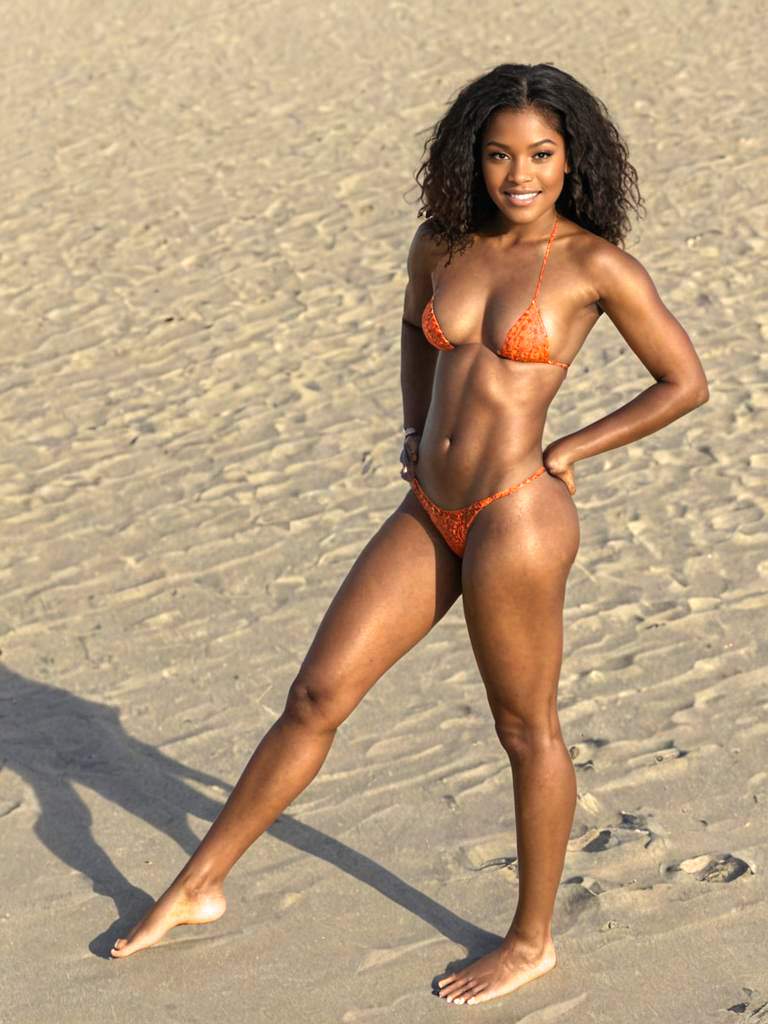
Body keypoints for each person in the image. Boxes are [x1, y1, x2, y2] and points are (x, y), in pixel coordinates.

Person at [110, 63, 708, 1006]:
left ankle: (531, 938)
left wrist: (573, 447)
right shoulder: (442, 242)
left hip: (518, 514)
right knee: (316, 694)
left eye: (541, 155)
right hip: (429, 507)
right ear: (473, 157)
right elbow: (412, 332)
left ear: (570, 160)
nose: (519, 173)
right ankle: (200, 885)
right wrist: (410, 422)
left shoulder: (596, 265)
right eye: (501, 153)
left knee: (523, 728)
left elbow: (684, 381)